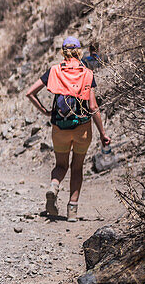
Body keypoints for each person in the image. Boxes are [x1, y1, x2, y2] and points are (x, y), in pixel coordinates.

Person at [23, 36, 111, 222]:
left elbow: (30, 93)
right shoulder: (87, 73)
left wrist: (46, 112)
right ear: (79, 52)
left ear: (63, 52)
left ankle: (54, 186)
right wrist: (103, 133)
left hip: (59, 128)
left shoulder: (54, 71)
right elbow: (93, 107)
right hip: (82, 128)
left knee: (60, 165)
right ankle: (72, 211)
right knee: (77, 167)